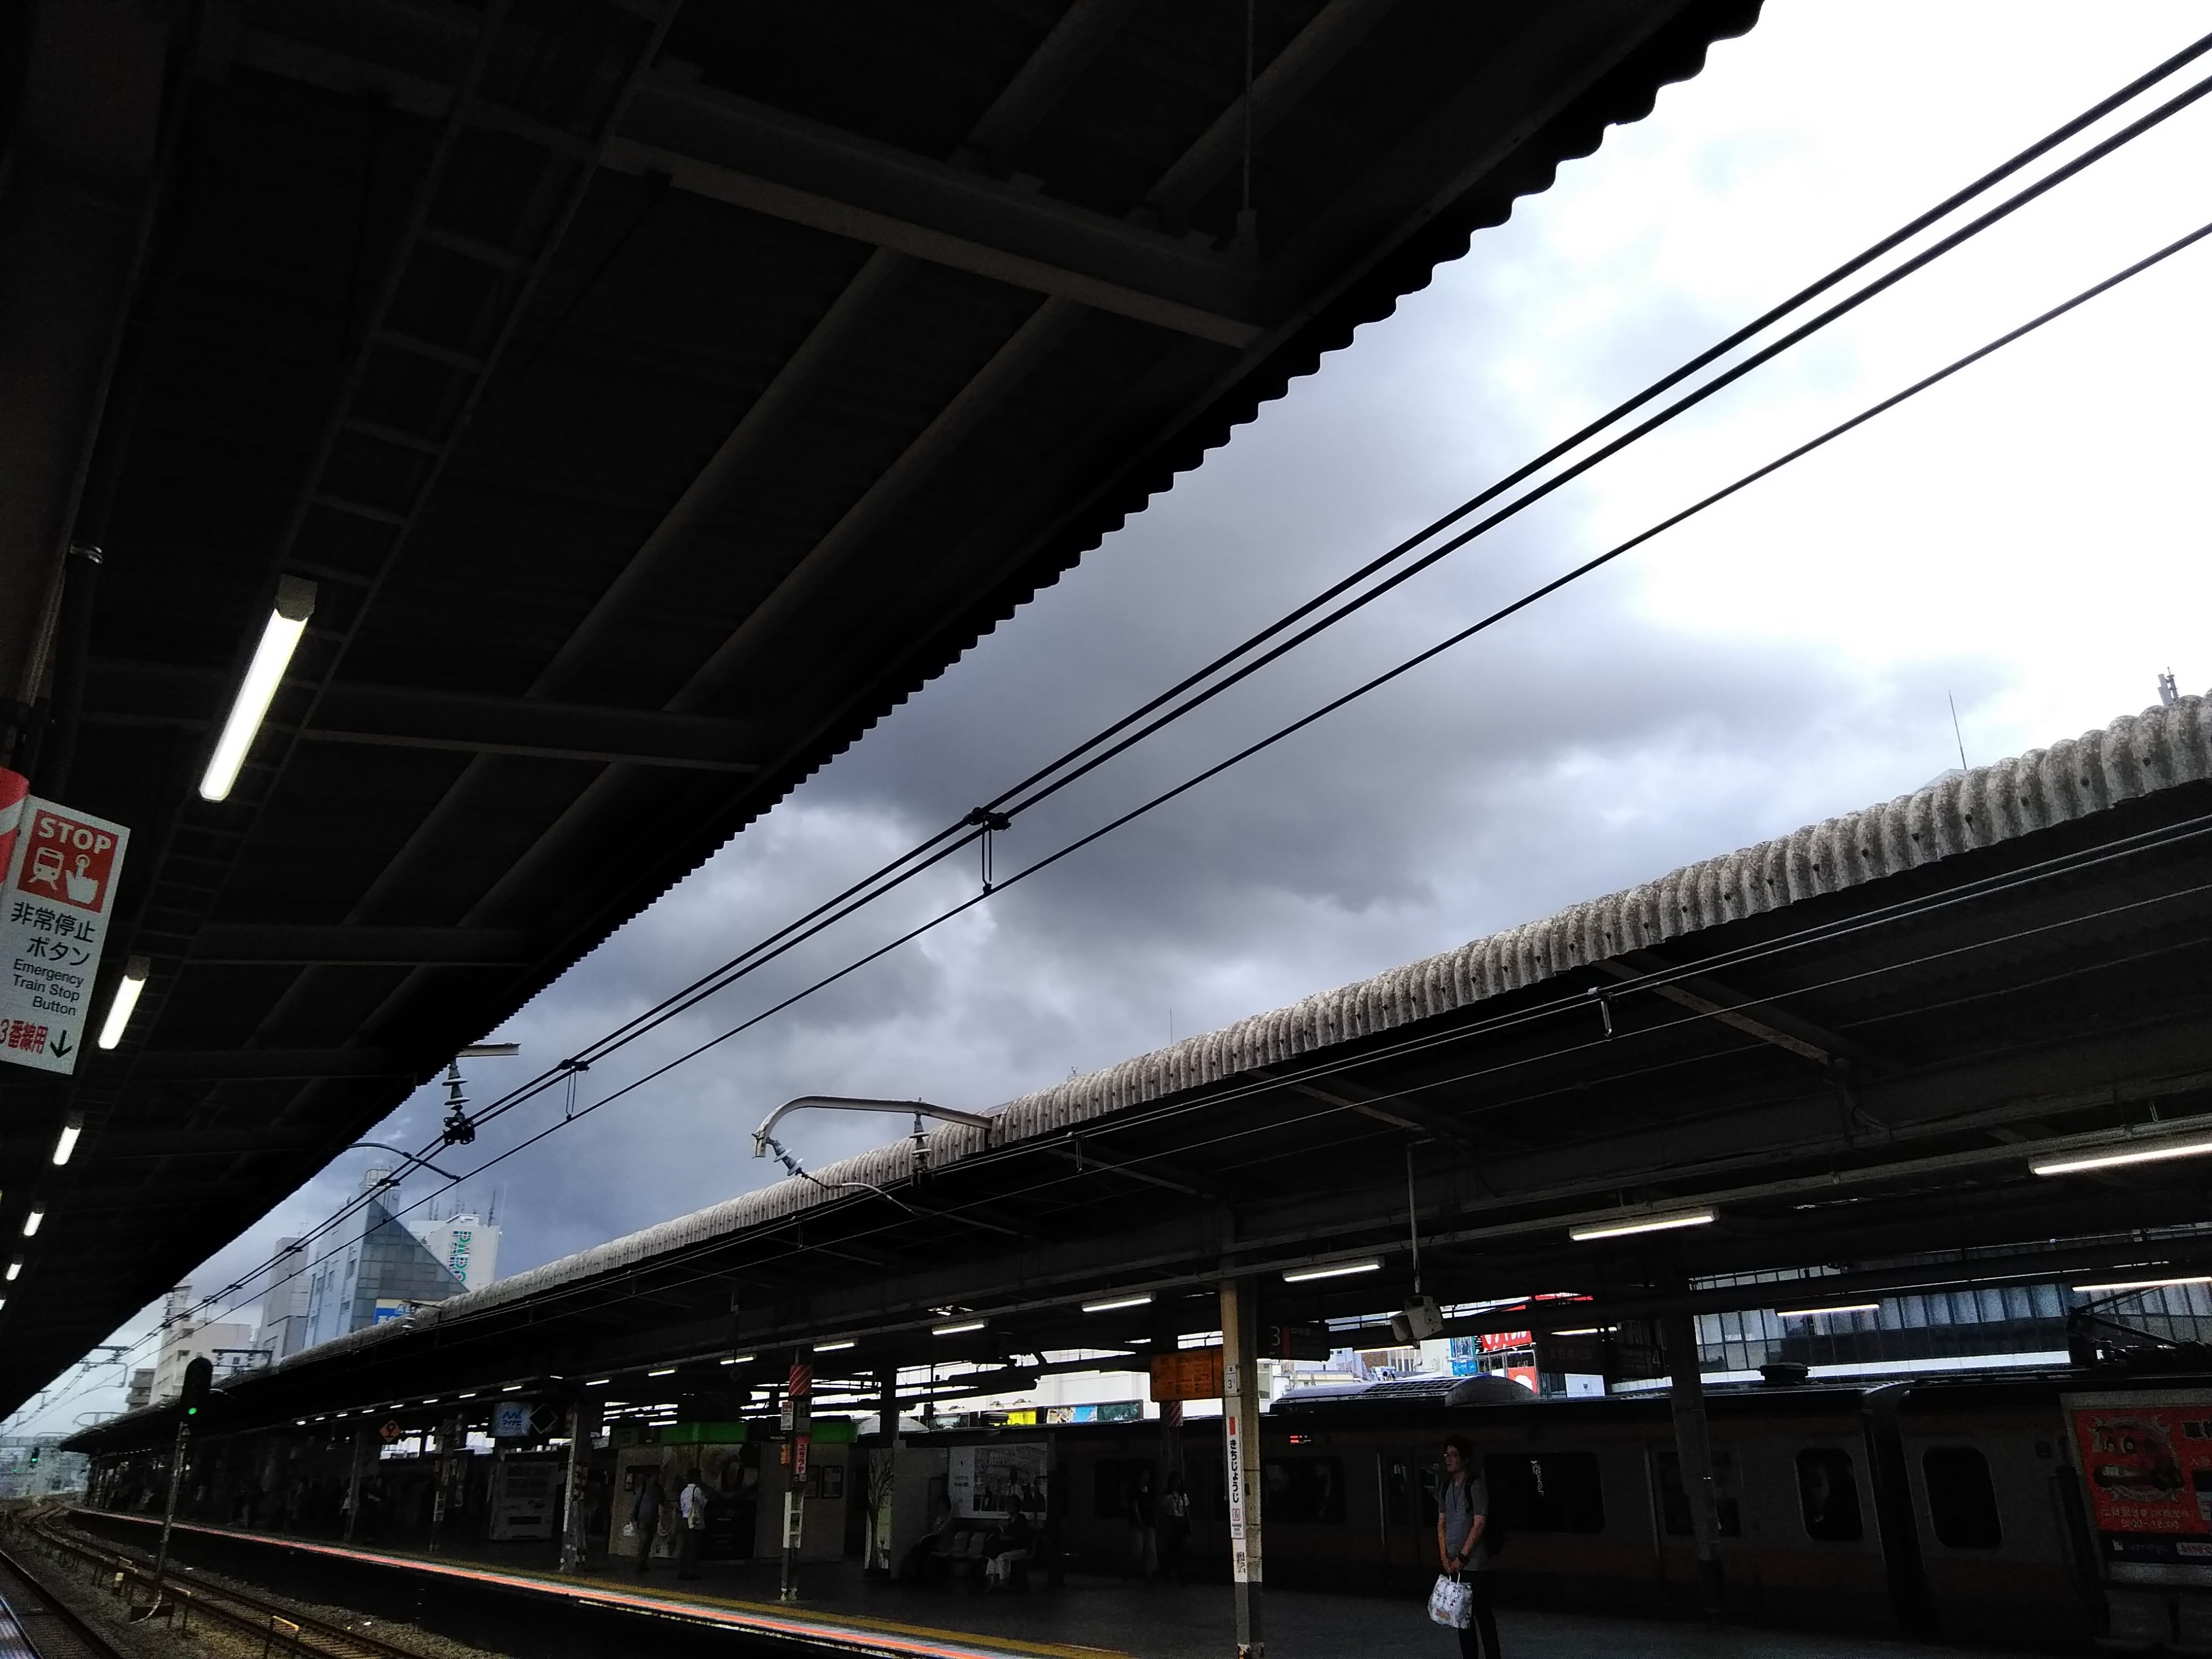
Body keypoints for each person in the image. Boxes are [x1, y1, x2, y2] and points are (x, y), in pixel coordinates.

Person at [1437, 1437, 1501, 1658]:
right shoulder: (1446, 1487)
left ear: (1465, 1459)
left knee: (1483, 1617)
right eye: (1447, 1455)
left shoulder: (1475, 1486)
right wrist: (1444, 1556)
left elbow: (1479, 1523)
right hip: (1456, 1565)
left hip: (1475, 1566)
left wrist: (1463, 1556)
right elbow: (1442, 1522)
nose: (1449, 1460)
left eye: (1454, 1455)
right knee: (1462, 1620)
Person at [1124, 1469, 1158, 1583]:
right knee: (1137, 1552)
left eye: (1147, 1476)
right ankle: (1127, 1569)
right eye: (1144, 1476)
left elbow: (1153, 1506)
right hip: (1137, 1525)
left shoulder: (1150, 1491)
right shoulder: (1134, 1492)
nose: (1146, 1478)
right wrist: (1140, 1522)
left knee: (1151, 1551)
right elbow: (1135, 1509)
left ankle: (1149, 1577)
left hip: (1150, 1524)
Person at [1158, 1471, 1191, 1584]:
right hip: (1172, 1523)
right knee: (1173, 1550)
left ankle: (1179, 1574)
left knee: (1179, 1550)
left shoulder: (1183, 1496)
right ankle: (1173, 1573)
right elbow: (1163, 1512)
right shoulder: (1167, 1497)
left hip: (1181, 1524)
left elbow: (1186, 1511)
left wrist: (1189, 1525)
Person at [677, 1467, 707, 1579]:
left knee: (684, 1547)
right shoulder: (698, 1490)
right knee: (693, 1548)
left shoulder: (684, 1491)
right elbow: (704, 1503)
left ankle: (682, 1571)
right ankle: (691, 1572)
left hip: (685, 1519)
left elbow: (682, 1506)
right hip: (694, 1521)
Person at [632, 1471, 663, 1576]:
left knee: (648, 1541)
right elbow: (637, 1503)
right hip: (644, 1518)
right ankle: (640, 1562)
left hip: (652, 1518)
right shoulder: (644, 1489)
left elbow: (663, 1500)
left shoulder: (657, 1489)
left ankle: (642, 1562)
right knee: (645, 1540)